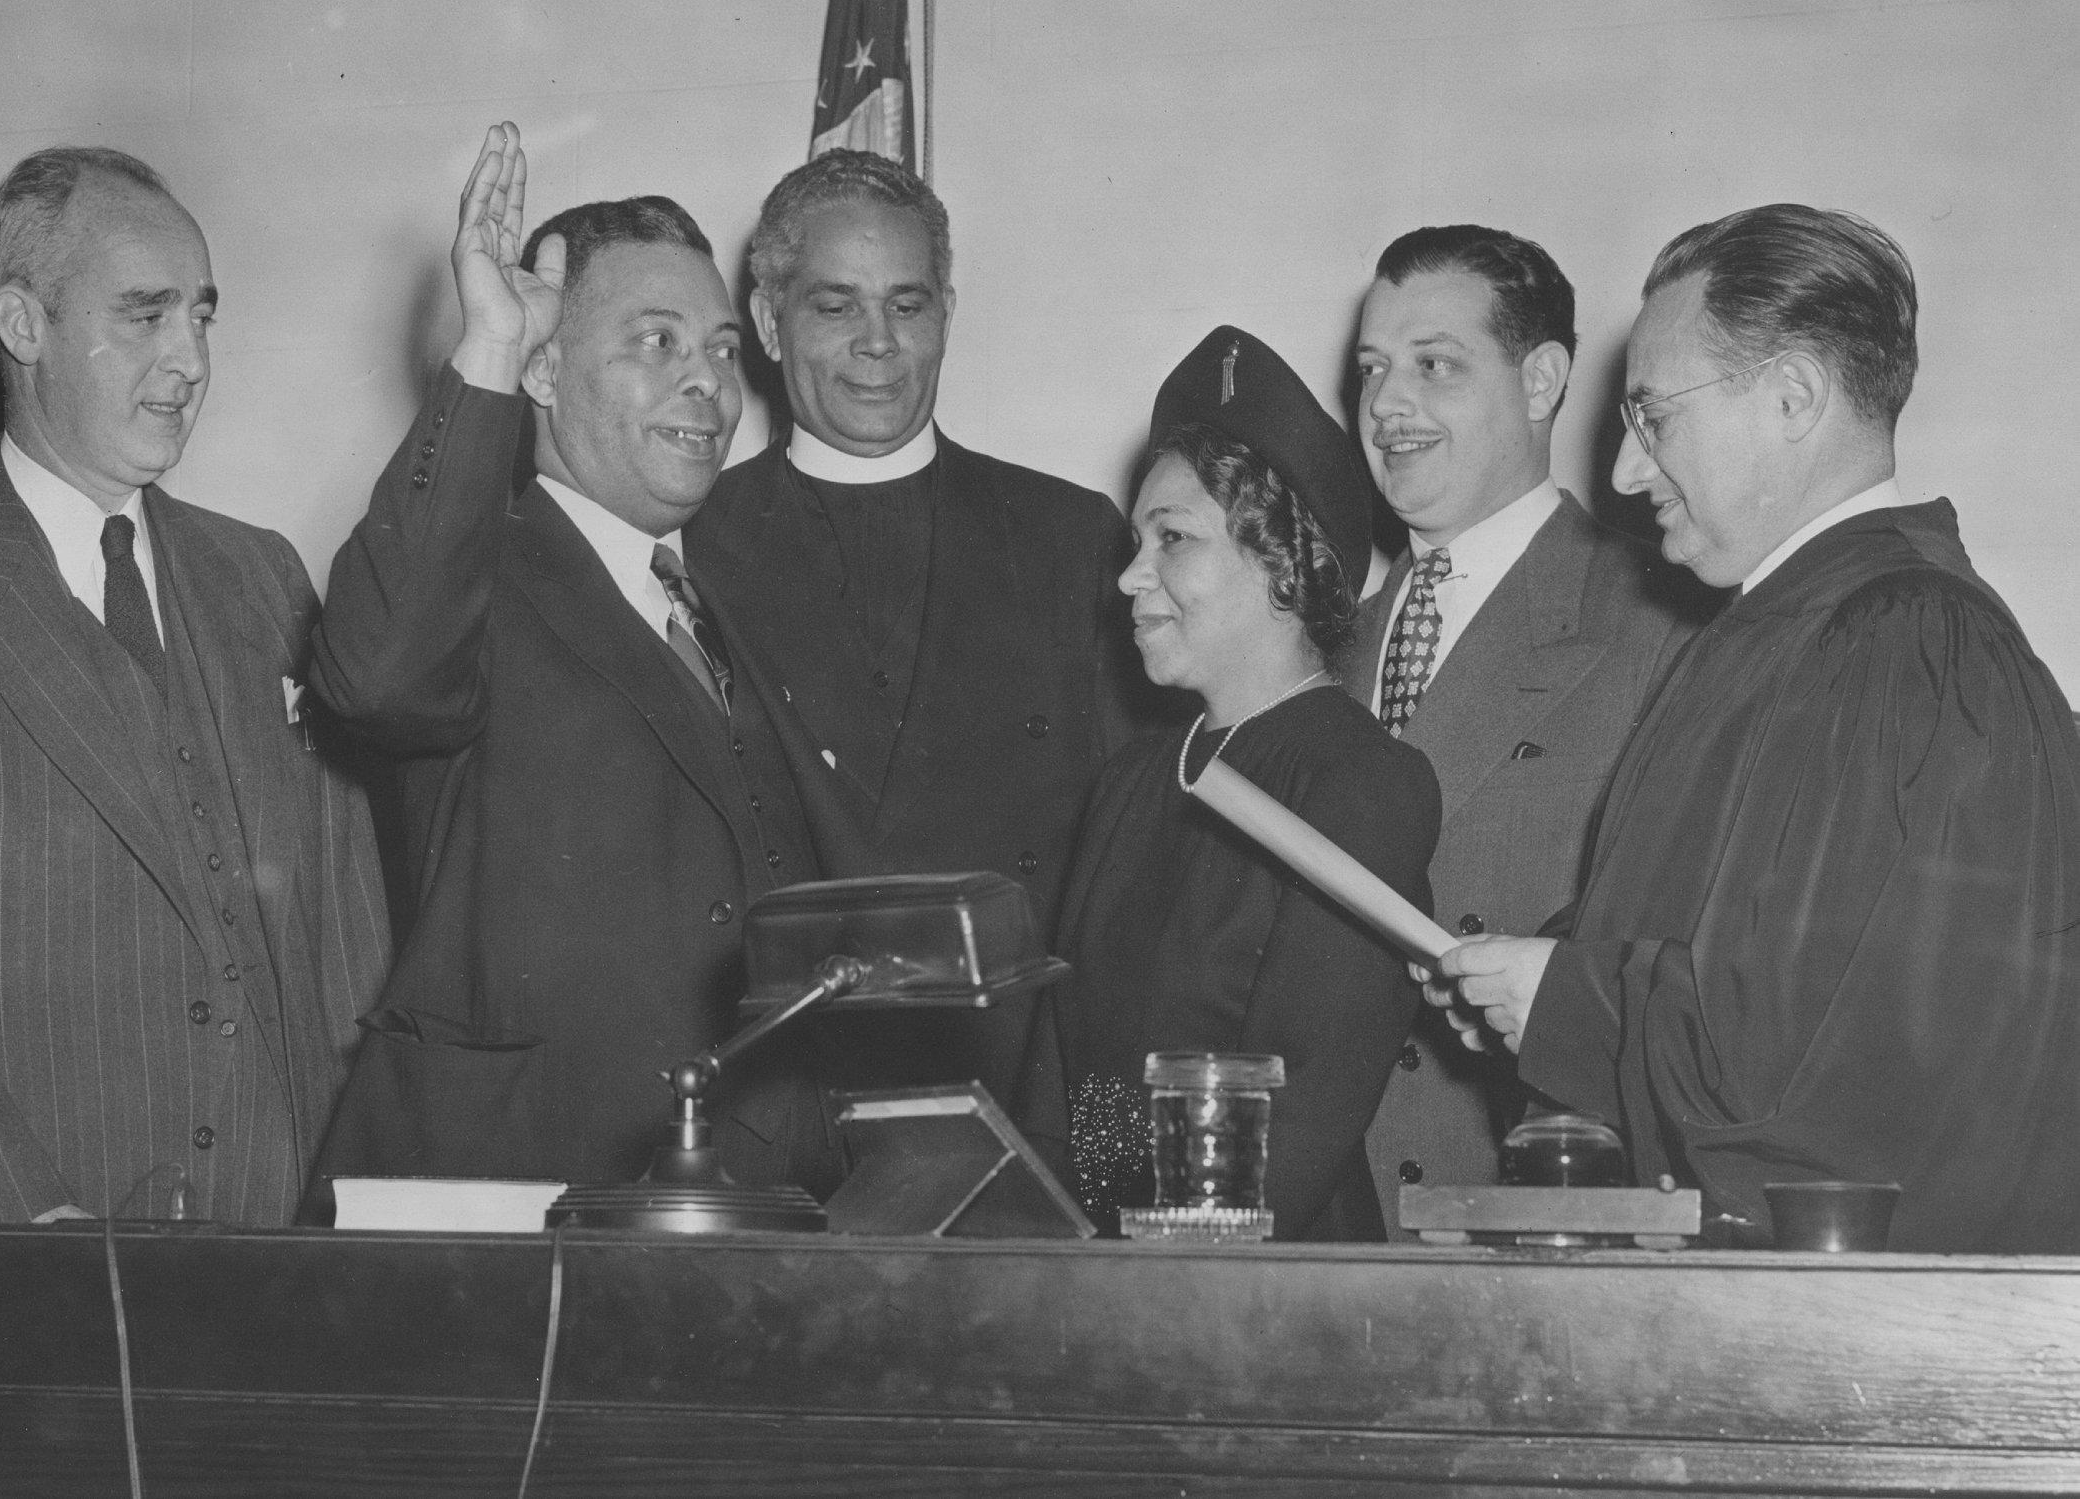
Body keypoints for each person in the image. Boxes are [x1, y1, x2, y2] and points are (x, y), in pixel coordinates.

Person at [1426, 205, 2080, 1254]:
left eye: (1656, 419)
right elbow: (1764, 946)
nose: (1627, 474)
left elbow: (1839, 1068)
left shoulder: (1902, 646)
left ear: (1793, 395)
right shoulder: (1800, 634)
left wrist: (1567, 997)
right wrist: (1544, 971)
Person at [0, 148, 392, 1224]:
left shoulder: (264, 574)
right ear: (21, 324)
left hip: (277, 1269)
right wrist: (23, 1232)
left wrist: (356, 1212)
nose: (190, 358)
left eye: (202, 315)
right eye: (146, 315)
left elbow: (347, 938)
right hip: (9, 1274)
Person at [308, 125, 847, 1197]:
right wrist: (491, 349)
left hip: (744, 1201)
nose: (708, 383)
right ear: (547, 372)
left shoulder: (729, 599)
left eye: (722, 348)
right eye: (655, 341)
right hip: (518, 1201)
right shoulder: (471, 572)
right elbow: (373, 673)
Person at [686, 149, 1146, 1102]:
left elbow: (1131, 890)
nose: (877, 342)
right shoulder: (695, 543)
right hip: (777, 1107)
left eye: (906, 304)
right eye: (834, 305)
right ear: (769, 324)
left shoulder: (1070, 539)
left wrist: (1100, 1168)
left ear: (946, 314)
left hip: (1023, 1090)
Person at [1031, 328, 1440, 1241]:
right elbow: (1088, 1074)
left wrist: (1159, 1270)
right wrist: (1091, 1230)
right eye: (1139, 541)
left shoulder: (1360, 782)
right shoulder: (1138, 777)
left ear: (1282, 560)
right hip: (1124, 1268)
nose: (1131, 576)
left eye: (1171, 539)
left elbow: (1300, 1119)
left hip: (1266, 1286)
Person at [1338, 225, 1699, 1233]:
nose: (1387, 405)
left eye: (1434, 365)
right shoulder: (1325, 649)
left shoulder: (1662, 623)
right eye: (1371, 369)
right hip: (1328, 1232)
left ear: (1541, 379)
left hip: (1538, 1228)